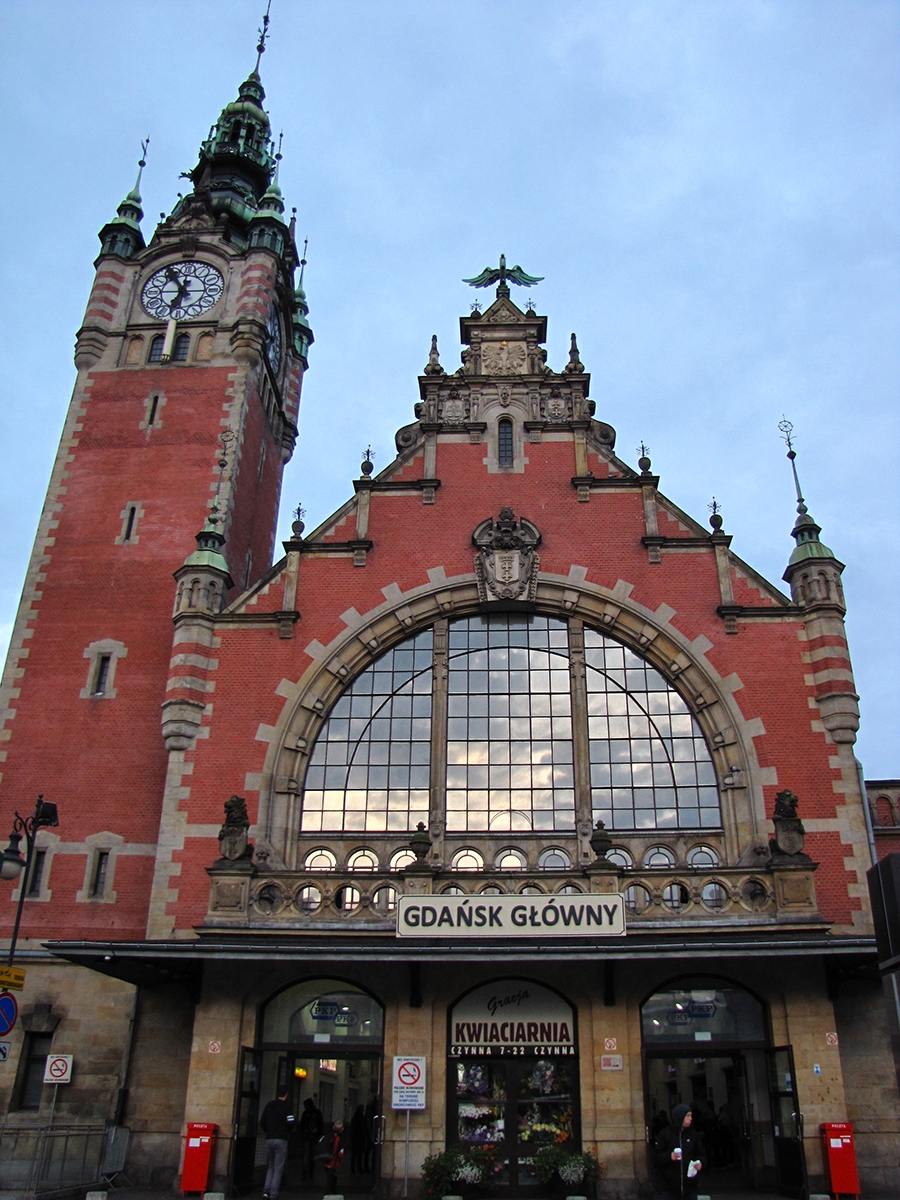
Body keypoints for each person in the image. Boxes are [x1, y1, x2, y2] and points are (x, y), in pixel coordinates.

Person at [653, 1103, 706, 1200]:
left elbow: (702, 1155)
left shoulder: (694, 1135)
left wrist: (700, 1163)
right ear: (680, 1117)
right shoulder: (665, 1134)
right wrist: (670, 1156)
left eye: (691, 1116)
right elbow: (657, 1159)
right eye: (688, 1116)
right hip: (670, 1189)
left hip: (690, 1188)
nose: (690, 1118)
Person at [259, 1087, 296, 1200]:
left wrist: (269, 1131)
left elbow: (262, 1121)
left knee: (271, 1166)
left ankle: (266, 1191)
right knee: (278, 1167)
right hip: (281, 1139)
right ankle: (274, 1194)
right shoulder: (286, 1107)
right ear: (286, 1094)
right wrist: (286, 1130)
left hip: (269, 1138)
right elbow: (290, 1123)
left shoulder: (269, 1105)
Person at [298, 1096, 324, 1180]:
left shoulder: (305, 1113)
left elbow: (301, 1125)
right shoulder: (317, 1113)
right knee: (313, 1155)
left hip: (306, 1136)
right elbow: (320, 1125)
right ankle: (311, 1173)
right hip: (314, 1136)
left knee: (306, 1155)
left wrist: (302, 1134)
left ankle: (304, 1174)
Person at [349, 1104, 370, 1174]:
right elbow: (364, 1128)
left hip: (355, 1138)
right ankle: (359, 1169)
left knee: (354, 1154)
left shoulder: (354, 1118)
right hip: (360, 1138)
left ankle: (353, 1169)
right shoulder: (362, 1118)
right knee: (359, 1155)